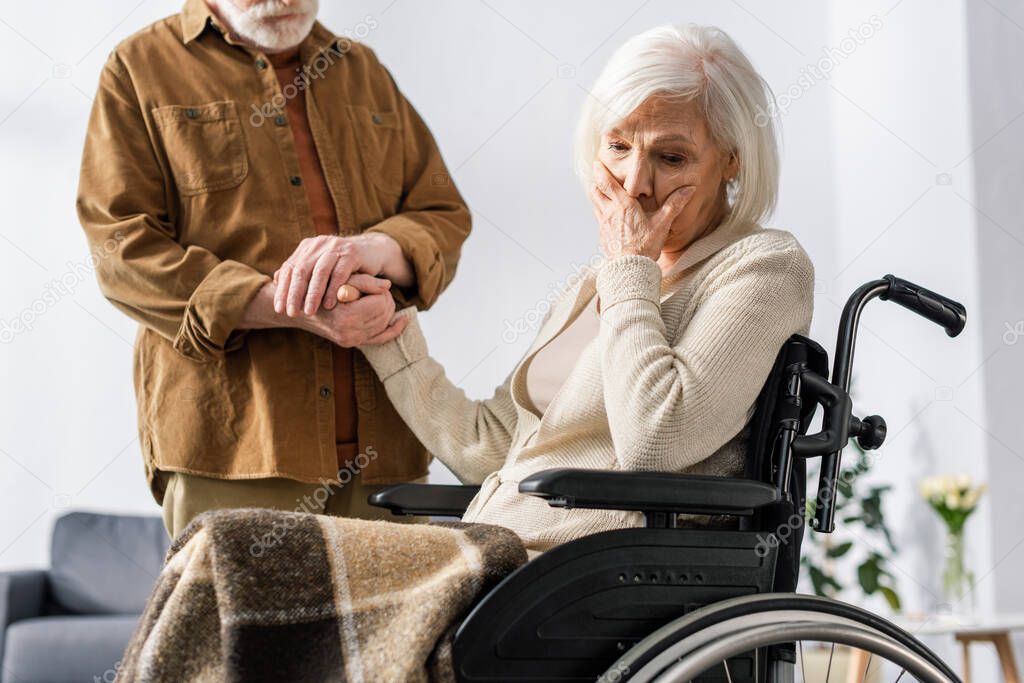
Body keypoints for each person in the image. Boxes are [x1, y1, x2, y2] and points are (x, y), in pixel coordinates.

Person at [356, 23, 816, 560]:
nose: (634, 182)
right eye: (618, 145)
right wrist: (385, 333)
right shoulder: (598, 282)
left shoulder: (763, 268)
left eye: (671, 158)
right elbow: (497, 450)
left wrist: (628, 269)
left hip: (585, 567)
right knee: (249, 558)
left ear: (731, 160)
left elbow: (657, 444)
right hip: (496, 546)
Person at [75, 0, 471, 538]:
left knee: (401, 627)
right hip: (234, 448)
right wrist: (290, 307)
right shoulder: (139, 66)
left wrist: (378, 248)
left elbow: (442, 213)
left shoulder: (363, 70)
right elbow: (120, 249)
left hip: (388, 450)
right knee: (238, 627)